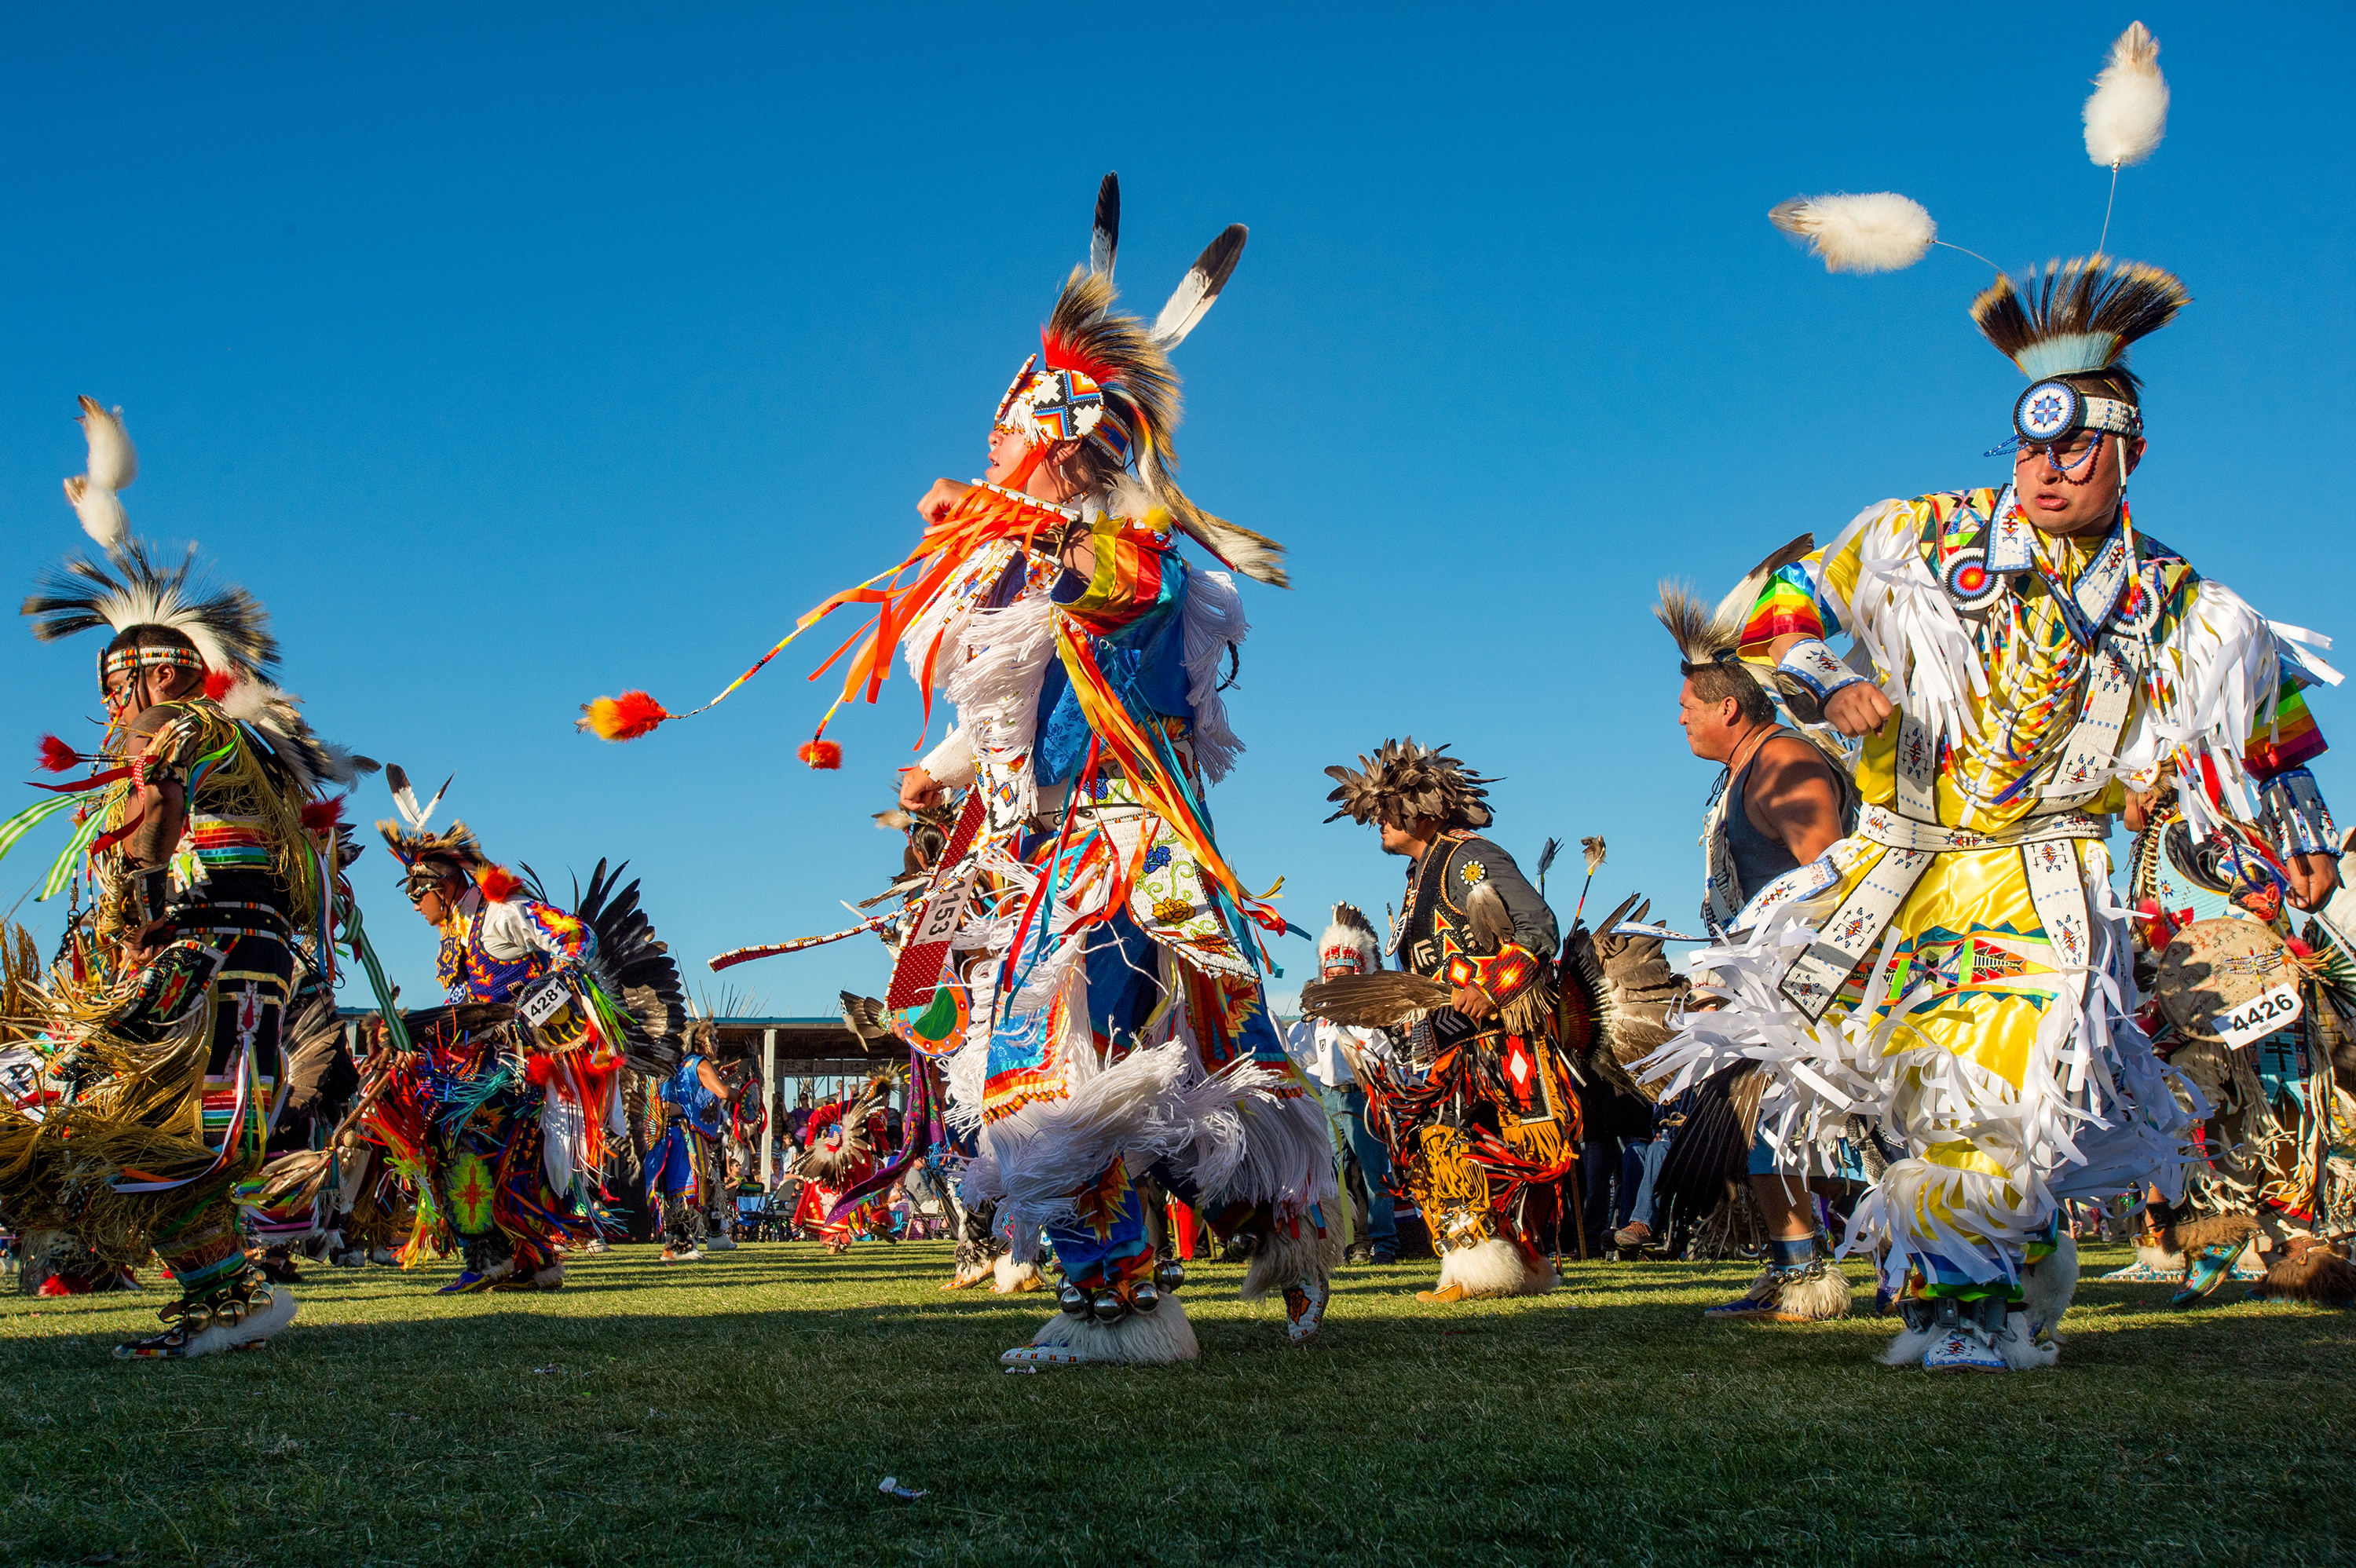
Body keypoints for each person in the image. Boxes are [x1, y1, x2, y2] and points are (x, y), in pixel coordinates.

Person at [581, 175, 1334, 1364]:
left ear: (1056, 440)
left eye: (1001, 436)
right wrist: (936, 770)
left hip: (1117, 852)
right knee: (1135, 1077)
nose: (981, 450)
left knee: (1068, 1078)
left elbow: (1122, 597)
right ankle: (1237, 1258)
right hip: (1038, 854)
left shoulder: (1130, 549)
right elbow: (1014, 701)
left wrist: (1025, 527)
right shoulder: (1011, 577)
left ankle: (1127, 1312)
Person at [1647, 234, 2340, 1370]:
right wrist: (1834, 680)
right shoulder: (1921, 540)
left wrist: (2292, 840)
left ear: (2131, 455)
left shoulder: (2182, 604)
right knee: (1898, 1098)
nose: (2049, 470)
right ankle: (2009, 1268)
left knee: (1985, 1096)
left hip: (2045, 877)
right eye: (2035, 449)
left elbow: (2260, 722)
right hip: (1898, 868)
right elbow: (1762, 611)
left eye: (2079, 450)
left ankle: (1961, 1318)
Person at [0, 398, 369, 1358]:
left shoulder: (184, 731)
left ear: (155, 676)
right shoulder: (248, 748)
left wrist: (140, 899)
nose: (117, 704)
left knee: (110, 1122)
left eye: (124, 684)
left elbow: (156, 807)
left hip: (195, 959)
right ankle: (231, 1296)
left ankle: (232, 1295)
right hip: (236, 963)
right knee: (156, 1135)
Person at [1653, 572, 1866, 1321]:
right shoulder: (1746, 770)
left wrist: (1819, 980)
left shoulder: (1784, 766)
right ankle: (1798, 1272)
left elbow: (1837, 877)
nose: (1679, 719)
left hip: (1808, 980)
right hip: (1759, 983)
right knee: (1759, 1122)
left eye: (1687, 707)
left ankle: (1927, 1257)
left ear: (1728, 707)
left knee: (1842, 1126)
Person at [375, 798, 685, 1291]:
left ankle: (490, 1258)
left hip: (518, 1061)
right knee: (512, 1159)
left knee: (461, 1142)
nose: (414, 903)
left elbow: (576, 935)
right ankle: (537, 1262)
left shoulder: (501, 915)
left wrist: (551, 990)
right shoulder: (457, 933)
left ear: (443, 882)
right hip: (482, 1059)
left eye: (417, 890)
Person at [1321, 740, 1579, 1302]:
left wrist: (1490, 987)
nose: (1379, 821)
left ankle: (1480, 1270)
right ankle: (1505, 1265)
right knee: (1452, 1149)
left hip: (1490, 1044)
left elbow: (1538, 929)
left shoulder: (1467, 859)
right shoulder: (1424, 871)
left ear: (1428, 809)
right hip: (1448, 1047)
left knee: (1461, 1148)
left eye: (1387, 809)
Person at [1283, 906, 1400, 1265]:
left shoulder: (1373, 1015)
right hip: (1329, 1102)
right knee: (1335, 1177)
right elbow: (1299, 1056)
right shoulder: (1318, 1019)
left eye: (1342, 973)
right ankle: (1352, 1242)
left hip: (1363, 1100)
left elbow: (1388, 1058)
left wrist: (1365, 1055)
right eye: (1329, 974)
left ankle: (1385, 1245)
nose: (1334, 979)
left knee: (1374, 1173)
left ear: (1359, 972)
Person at [646, 1021, 744, 1263]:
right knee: (690, 1186)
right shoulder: (700, 1064)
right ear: (703, 1043)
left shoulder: (679, 1064)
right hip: (685, 1135)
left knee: (702, 1184)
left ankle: (715, 1233)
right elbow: (721, 1092)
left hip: (671, 1134)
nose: (718, 1045)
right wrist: (747, 1095)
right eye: (715, 1040)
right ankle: (679, 1245)